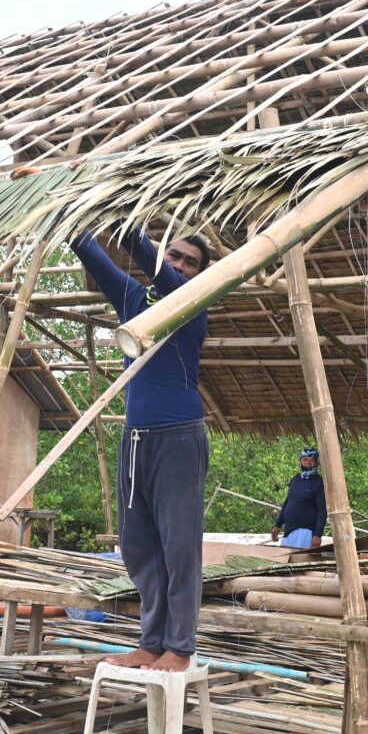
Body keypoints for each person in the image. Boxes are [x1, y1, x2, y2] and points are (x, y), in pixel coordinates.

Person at [71, 225, 213, 673]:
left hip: (178, 438)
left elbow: (146, 258)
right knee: (139, 547)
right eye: (175, 256)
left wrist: (126, 221)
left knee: (178, 547)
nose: (180, 265)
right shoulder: (134, 299)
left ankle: (180, 647)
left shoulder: (192, 304)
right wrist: (74, 215)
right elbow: (89, 252)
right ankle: (151, 642)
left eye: (191, 263)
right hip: (135, 440)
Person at [270, 447, 325, 549]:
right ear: (300, 461)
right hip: (288, 532)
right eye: (305, 459)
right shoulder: (295, 479)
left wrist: (317, 535)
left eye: (312, 460)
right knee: (285, 562)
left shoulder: (319, 482)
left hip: (306, 532)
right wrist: (277, 525)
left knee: (299, 562)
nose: (308, 463)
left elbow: (322, 510)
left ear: (317, 463)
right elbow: (287, 503)